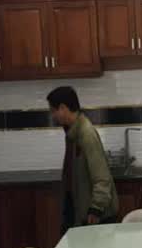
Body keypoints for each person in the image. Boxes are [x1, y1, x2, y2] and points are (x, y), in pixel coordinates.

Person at [47, 86, 119, 231]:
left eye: (53, 110)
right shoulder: (73, 132)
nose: (52, 115)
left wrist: (96, 208)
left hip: (95, 216)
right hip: (81, 211)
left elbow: (102, 177)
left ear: (63, 108)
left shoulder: (86, 134)